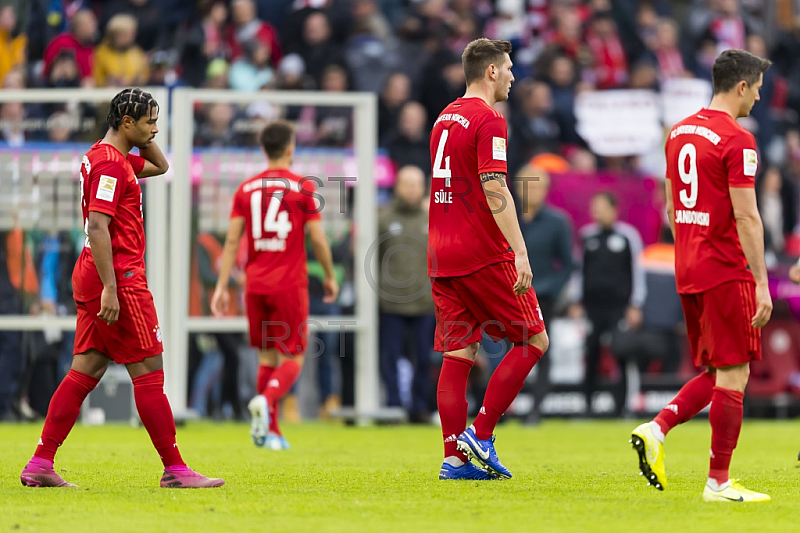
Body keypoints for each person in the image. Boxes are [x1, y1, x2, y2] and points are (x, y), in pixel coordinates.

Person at [20, 88, 224, 489]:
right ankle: (176, 469)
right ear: (126, 123)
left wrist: (145, 135)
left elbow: (161, 166)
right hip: (119, 276)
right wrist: (111, 288)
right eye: (149, 122)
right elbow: (98, 225)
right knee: (149, 371)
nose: (155, 128)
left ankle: (40, 462)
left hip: (95, 272)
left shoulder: (104, 155)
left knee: (86, 369)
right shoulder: (113, 166)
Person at [630, 49, 773, 502]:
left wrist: (694, 244)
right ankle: (719, 482)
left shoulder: (678, 132)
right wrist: (762, 282)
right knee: (735, 374)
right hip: (725, 268)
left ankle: (657, 428)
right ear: (742, 87)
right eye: (757, 90)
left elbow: (672, 209)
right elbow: (748, 219)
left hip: (688, 266)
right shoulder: (738, 139)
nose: (758, 100)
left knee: (718, 370)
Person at [429, 38, 549, 481]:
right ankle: (480, 433)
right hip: (481, 251)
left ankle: (454, 459)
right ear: (491, 72)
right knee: (534, 341)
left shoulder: (444, 117)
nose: (515, 76)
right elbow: (495, 187)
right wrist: (519, 250)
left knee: (459, 351)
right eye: (510, 68)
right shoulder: (489, 119)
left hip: (442, 252)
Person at [211, 120, 338, 450]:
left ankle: (272, 432)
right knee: (294, 357)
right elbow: (318, 239)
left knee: (268, 358)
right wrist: (328, 274)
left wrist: (222, 285)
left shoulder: (246, 189)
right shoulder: (303, 188)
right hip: (289, 284)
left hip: (255, 285)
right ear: (291, 149)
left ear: (264, 149)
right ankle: (265, 401)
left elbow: (231, 241)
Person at [573, 192, 646, 416]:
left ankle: (623, 406)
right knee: (591, 354)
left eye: (602, 207)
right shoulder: (587, 236)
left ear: (614, 209)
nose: (597, 212)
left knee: (621, 354)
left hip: (619, 308)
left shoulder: (627, 237)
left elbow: (637, 271)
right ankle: (587, 407)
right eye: (595, 207)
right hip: (593, 308)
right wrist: (576, 300)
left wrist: (635, 304)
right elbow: (579, 271)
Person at [515, 164, 574, 423]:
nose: (532, 191)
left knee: (540, 351)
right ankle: (503, 406)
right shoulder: (509, 218)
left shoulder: (557, 221)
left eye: (537, 186)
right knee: (505, 352)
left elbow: (569, 263)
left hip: (541, 298)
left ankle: (535, 409)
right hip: (507, 296)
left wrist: (551, 289)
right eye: (527, 185)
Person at [378, 165, 435, 423]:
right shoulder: (383, 218)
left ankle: (419, 407)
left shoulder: (433, 217)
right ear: (397, 186)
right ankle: (394, 406)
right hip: (391, 303)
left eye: (416, 184)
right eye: (407, 184)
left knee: (424, 359)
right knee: (389, 358)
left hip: (425, 304)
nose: (412, 189)